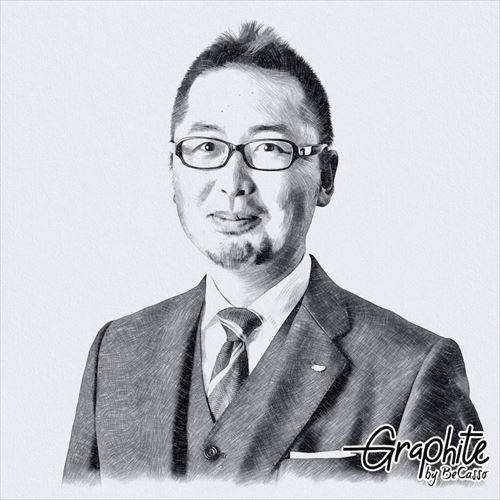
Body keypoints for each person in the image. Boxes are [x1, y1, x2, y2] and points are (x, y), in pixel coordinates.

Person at [63, 22, 482, 485]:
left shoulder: (413, 370)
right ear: (173, 170)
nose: (232, 183)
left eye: (269, 148)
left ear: (325, 176)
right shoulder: (117, 352)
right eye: (206, 146)